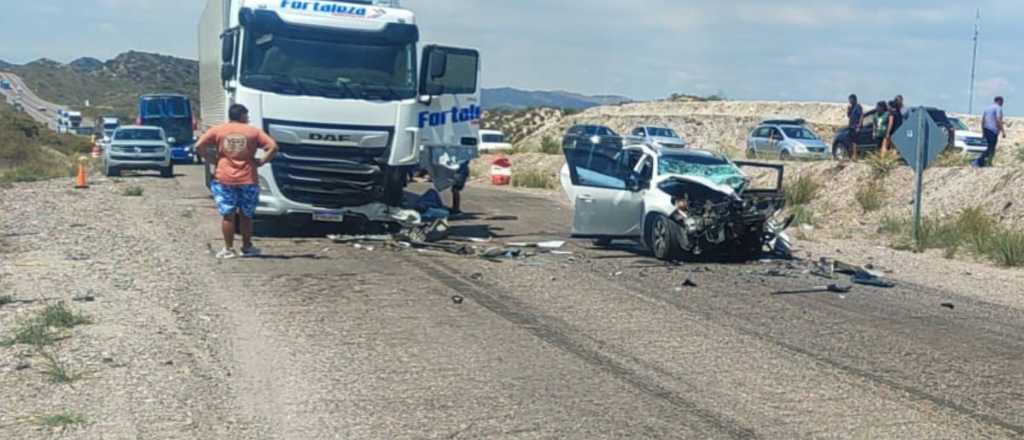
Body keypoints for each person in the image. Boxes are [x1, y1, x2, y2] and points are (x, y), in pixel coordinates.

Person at [195, 104, 279, 259]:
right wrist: (261, 162)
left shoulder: (218, 130)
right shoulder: (253, 132)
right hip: (248, 178)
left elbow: (199, 145)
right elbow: (273, 147)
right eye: (246, 116)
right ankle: (247, 247)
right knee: (246, 214)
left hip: (224, 177)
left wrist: (212, 159)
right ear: (242, 116)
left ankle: (228, 248)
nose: (247, 118)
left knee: (228, 214)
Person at [974, 96, 1005, 168]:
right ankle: (979, 161)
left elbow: (983, 121)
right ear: (999, 101)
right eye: (1002, 101)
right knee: (991, 148)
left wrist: (983, 132)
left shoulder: (987, 108)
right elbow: (998, 119)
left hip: (986, 129)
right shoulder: (998, 108)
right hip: (993, 130)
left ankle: (986, 162)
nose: (1003, 103)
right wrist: (1003, 131)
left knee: (990, 147)